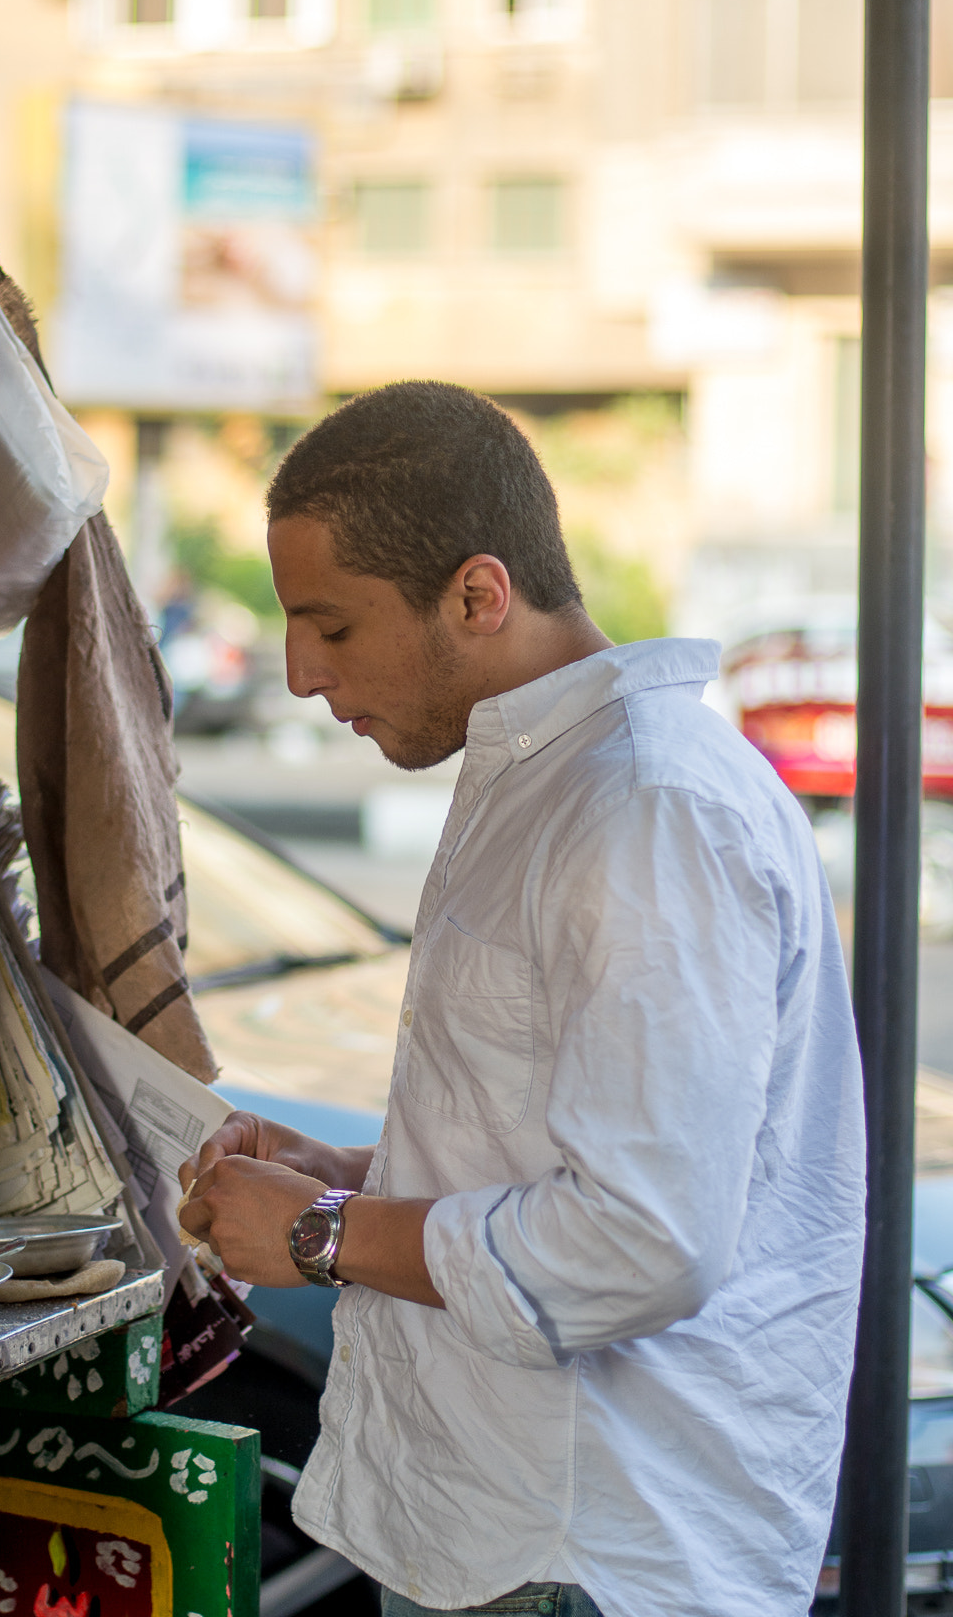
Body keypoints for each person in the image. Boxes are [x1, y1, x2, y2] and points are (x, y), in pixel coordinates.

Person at [178, 382, 866, 1617]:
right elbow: (558, 1144)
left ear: (478, 596)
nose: (293, 674)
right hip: (513, 1528)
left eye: (330, 628)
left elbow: (642, 1238)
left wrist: (322, 1234)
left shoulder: (645, 808)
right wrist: (336, 1170)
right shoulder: (556, 780)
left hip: (585, 1549)